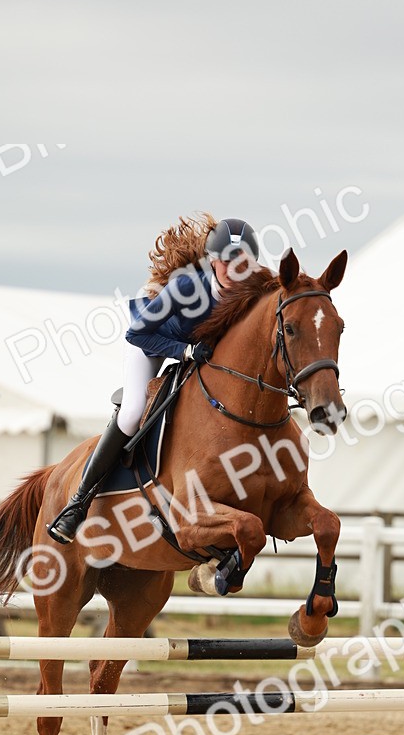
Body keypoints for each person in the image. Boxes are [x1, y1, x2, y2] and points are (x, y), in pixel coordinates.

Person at [47, 215, 260, 544]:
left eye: (242, 264)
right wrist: (184, 350)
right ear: (213, 262)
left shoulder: (251, 290)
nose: (234, 272)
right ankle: (78, 503)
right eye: (227, 263)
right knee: (132, 412)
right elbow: (137, 334)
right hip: (152, 344)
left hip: (199, 353)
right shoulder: (188, 286)